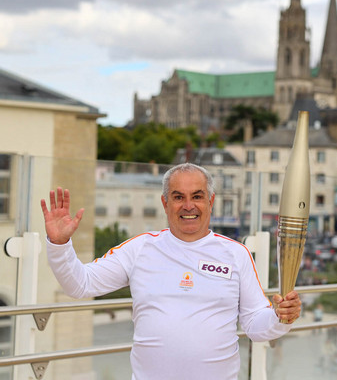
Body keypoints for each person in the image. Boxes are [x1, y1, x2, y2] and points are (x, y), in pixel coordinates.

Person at [41, 163, 301, 380]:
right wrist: (60, 244)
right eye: (178, 197)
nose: (188, 206)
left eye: (197, 196)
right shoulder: (140, 248)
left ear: (210, 201)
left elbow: (256, 325)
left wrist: (280, 318)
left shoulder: (235, 254)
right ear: (165, 203)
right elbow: (80, 285)